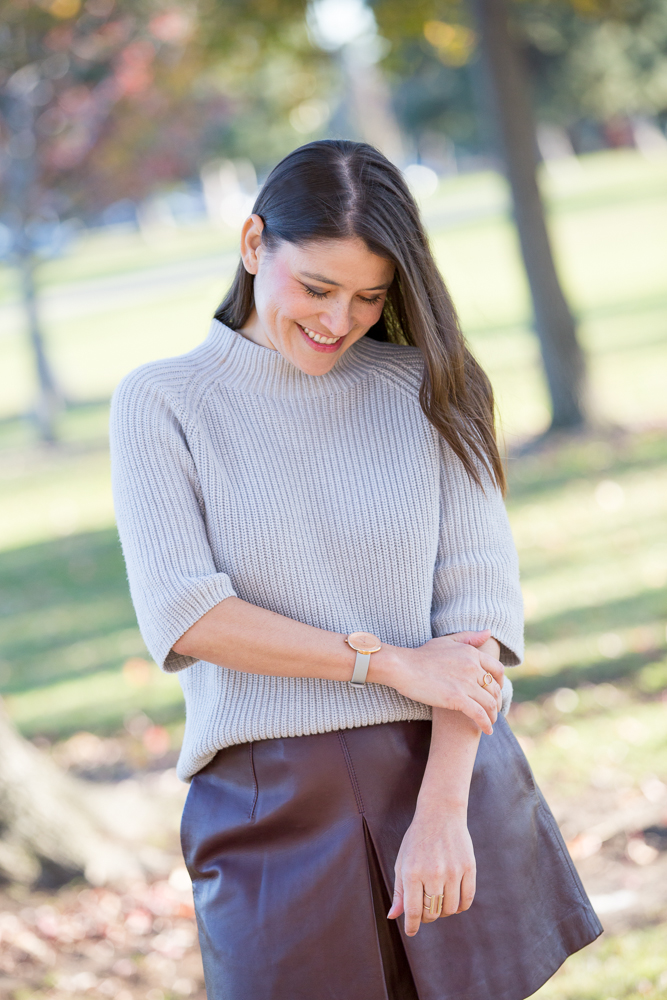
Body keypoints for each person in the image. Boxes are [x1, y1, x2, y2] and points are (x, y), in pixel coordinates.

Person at [110, 139, 601, 1000]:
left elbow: (477, 618)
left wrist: (442, 815)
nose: (339, 321)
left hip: (445, 774)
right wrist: (389, 662)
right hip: (270, 802)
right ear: (254, 244)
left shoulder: (433, 388)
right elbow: (188, 615)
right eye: (318, 288)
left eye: (371, 298)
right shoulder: (162, 403)